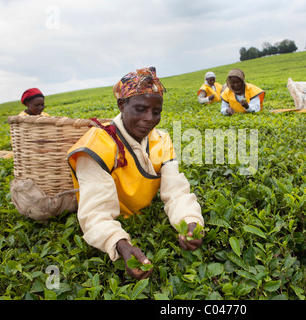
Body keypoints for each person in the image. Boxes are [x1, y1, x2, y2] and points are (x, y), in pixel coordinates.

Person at [67, 67, 205, 280]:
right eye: (140, 109)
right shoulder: (97, 145)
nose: (149, 119)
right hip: (118, 217)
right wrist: (121, 245)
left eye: (156, 112)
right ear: (122, 105)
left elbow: (176, 191)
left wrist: (190, 221)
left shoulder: (161, 140)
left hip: (142, 213)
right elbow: (95, 214)